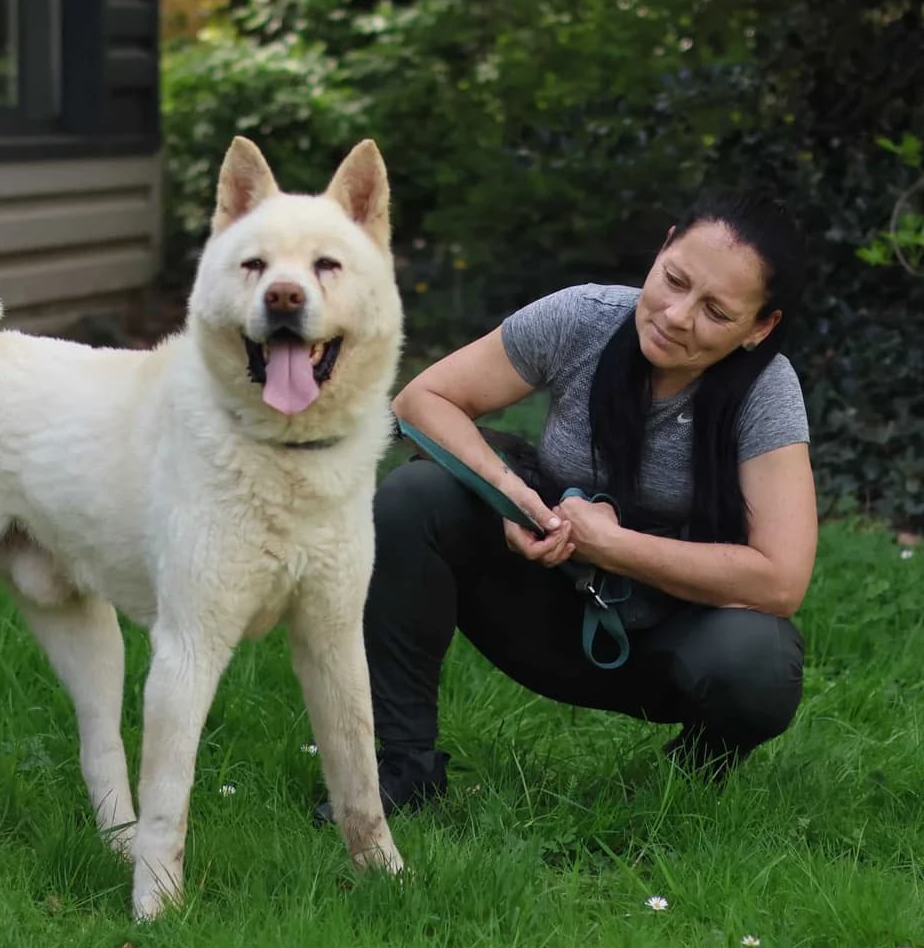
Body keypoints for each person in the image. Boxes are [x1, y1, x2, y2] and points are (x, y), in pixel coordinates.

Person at [319, 189, 817, 820]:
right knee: (412, 499)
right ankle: (403, 769)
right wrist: (511, 497)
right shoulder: (584, 317)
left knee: (759, 658)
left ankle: (683, 784)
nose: (676, 315)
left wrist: (613, 545)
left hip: (665, 644)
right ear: (663, 246)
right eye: (674, 280)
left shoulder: (767, 393)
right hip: (538, 602)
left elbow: (781, 578)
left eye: (716, 311)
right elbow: (424, 399)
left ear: (760, 327)